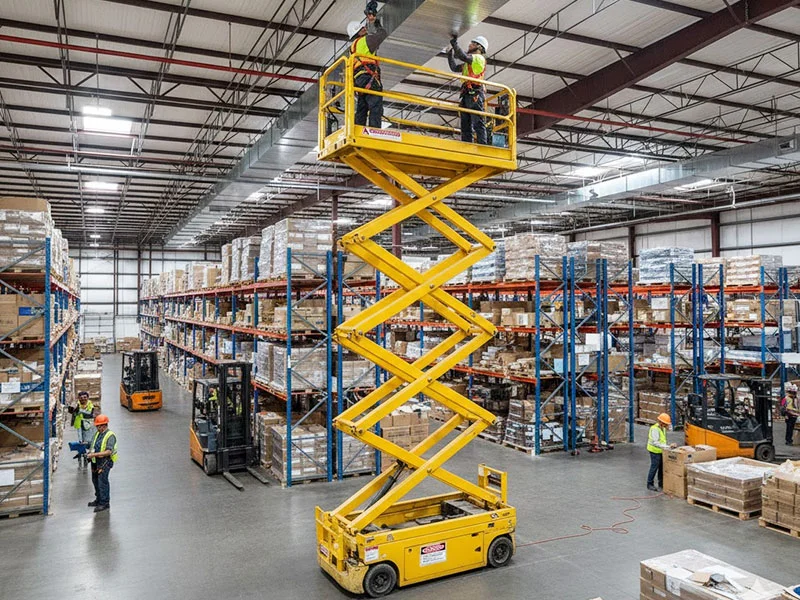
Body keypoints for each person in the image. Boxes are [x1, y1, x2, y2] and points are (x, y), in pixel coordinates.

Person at [347, 2, 387, 128]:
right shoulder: (365, 41)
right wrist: (375, 21)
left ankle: (358, 129)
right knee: (375, 105)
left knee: (362, 106)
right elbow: (382, 34)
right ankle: (374, 131)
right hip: (368, 76)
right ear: (358, 32)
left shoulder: (353, 47)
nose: (365, 29)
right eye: (362, 29)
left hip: (359, 80)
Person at [447, 35, 489, 144]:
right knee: (465, 123)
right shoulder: (469, 62)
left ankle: (482, 146)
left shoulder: (479, 58)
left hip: (475, 93)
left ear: (479, 47)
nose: (470, 45)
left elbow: (463, 56)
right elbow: (454, 68)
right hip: (467, 94)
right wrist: (449, 54)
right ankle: (466, 145)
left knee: (477, 122)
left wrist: (454, 43)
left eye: (473, 44)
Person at [86, 414, 117, 513]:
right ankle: (99, 499)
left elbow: (108, 451)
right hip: (95, 461)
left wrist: (94, 454)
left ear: (104, 425)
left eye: (98, 426)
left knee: (102, 482)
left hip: (105, 462)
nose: (97, 428)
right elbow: (93, 444)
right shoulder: (97, 434)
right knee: (95, 481)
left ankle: (104, 503)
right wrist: (86, 446)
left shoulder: (110, 436)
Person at [646, 413, 675, 492]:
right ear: (661, 422)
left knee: (661, 467)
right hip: (654, 451)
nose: (667, 425)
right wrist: (668, 447)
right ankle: (649, 484)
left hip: (661, 450)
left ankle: (661, 483)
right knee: (654, 467)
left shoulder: (663, 428)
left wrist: (667, 447)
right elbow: (655, 442)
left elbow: (662, 440)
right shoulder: (655, 429)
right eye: (666, 424)